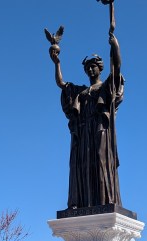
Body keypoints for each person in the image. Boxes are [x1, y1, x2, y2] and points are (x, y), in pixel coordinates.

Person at [50, 27, 123, 209]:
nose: (90, 69)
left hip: (100, 130)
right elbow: (61, 83)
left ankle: (104, 200)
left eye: (94, 66)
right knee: (81, 166)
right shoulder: (80, 92)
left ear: (100, 68)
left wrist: (115, 46)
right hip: (83, 132)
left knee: (100, 162)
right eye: (87, 67)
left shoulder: (105, 87)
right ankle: (81, 202)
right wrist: (56, 62)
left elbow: (117, 68)